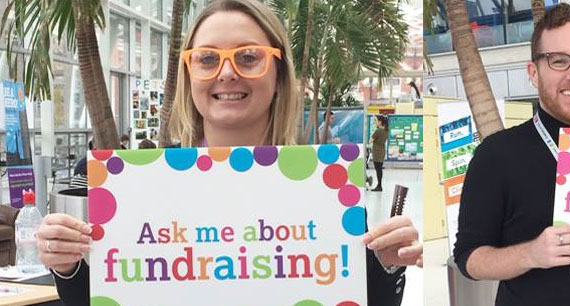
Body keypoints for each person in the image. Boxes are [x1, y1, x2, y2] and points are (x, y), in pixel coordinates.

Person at [35, 1, 422, 305]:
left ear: (278, 74)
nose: (226, 73)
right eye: (206, 59)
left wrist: (387, 264)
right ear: (189, 76)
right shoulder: (136, 187)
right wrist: (67, 266)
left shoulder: (324, 192)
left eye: (248, 57)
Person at [453, 4, 570, 305]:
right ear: (534, 71)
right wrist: (531, 254)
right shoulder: (496, 154)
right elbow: (468, 258)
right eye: (558, 61)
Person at [371, 115, 389, 192]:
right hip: (382, 151)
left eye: (376, 120)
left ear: (380, 122)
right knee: (380, 169)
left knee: (377, 169)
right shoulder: (386, 130)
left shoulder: (378, 131)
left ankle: (379, 186)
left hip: (376, 151)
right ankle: (379, 185)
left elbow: (370, 140)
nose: (375, 122)